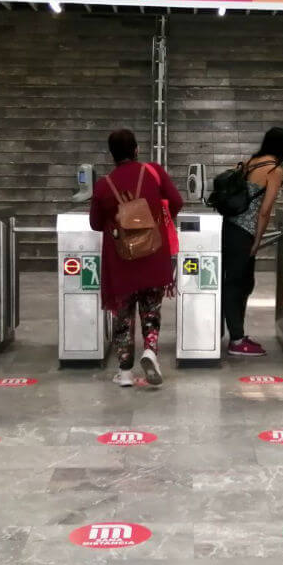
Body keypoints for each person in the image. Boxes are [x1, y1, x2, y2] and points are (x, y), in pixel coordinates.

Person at [89, 129, 184, 387]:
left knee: (123, 315)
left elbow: (96, 224)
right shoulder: (152, 172)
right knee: (151, 309)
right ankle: (150, 350)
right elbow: (176, 201)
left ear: (111, 155)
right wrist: (156, 216)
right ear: (136, 150)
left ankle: (125, 373)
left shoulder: (103, 185)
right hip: (153, 253)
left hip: (120, 261)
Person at [223, 127, 283, 357]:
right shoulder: (274, 169)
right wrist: (256, 240)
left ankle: (237, 335)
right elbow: (264, 211)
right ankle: (236, 340)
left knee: (242, 282)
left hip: (229, 226)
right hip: (244, 232)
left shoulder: (251, 162)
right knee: (236, 284)